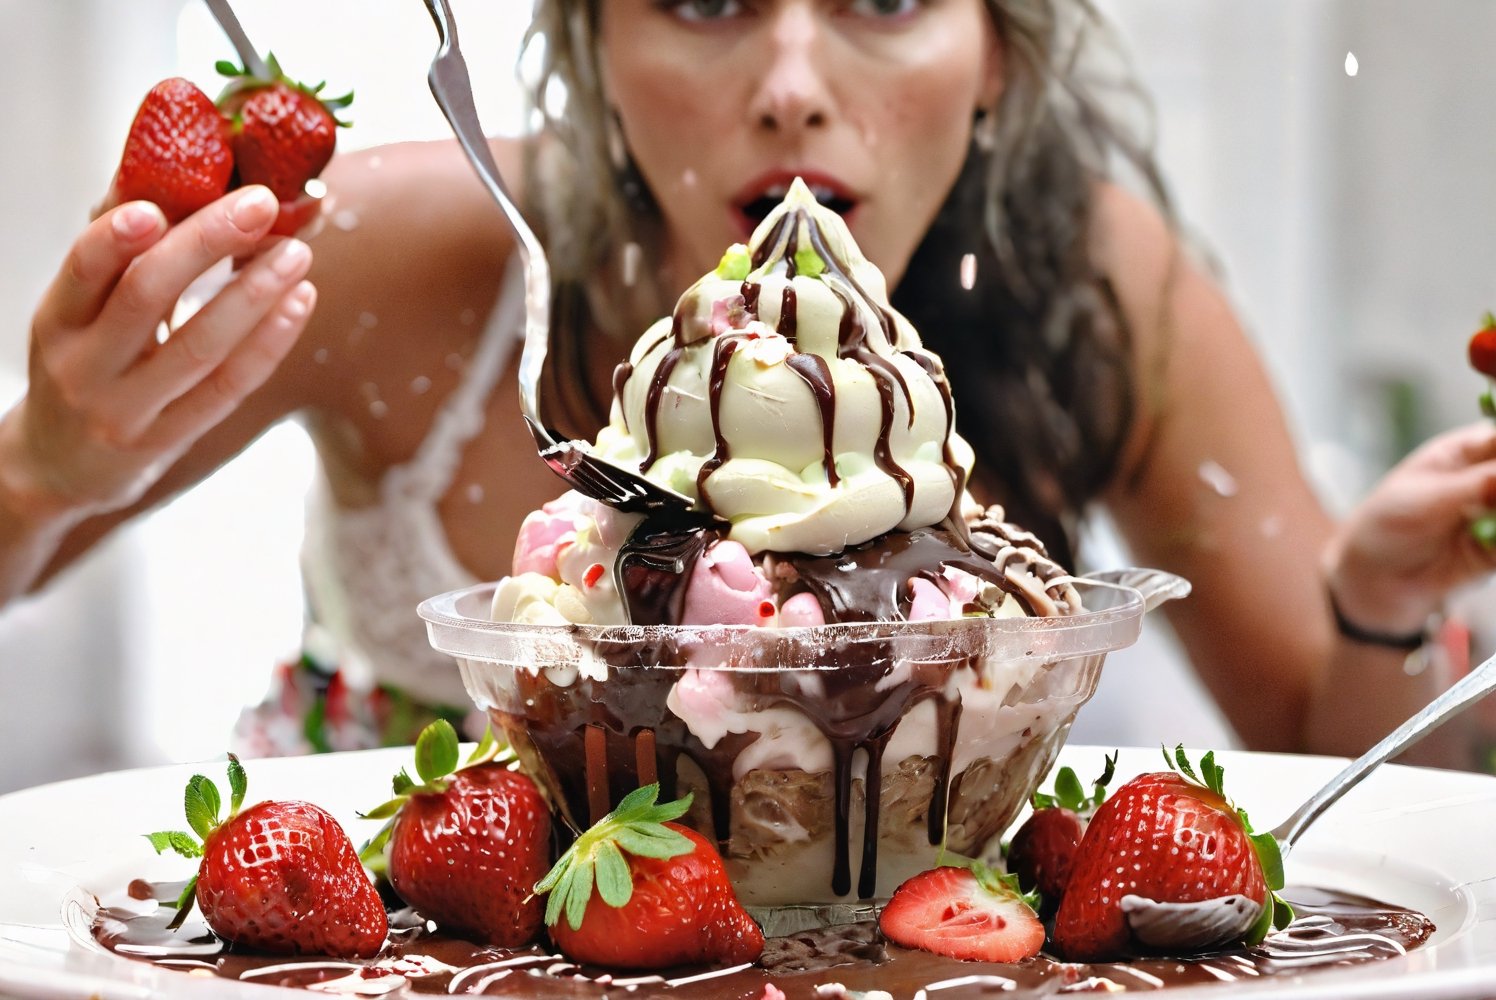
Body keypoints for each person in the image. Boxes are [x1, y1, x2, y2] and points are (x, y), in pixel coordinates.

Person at [2, 0, 1493, 763]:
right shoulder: (414, 256)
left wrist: (1377, 596)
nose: (790, 78)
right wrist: (43, 469)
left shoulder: (1097, 285)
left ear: (997, 64)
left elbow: (1338, 759)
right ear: (589, 39)